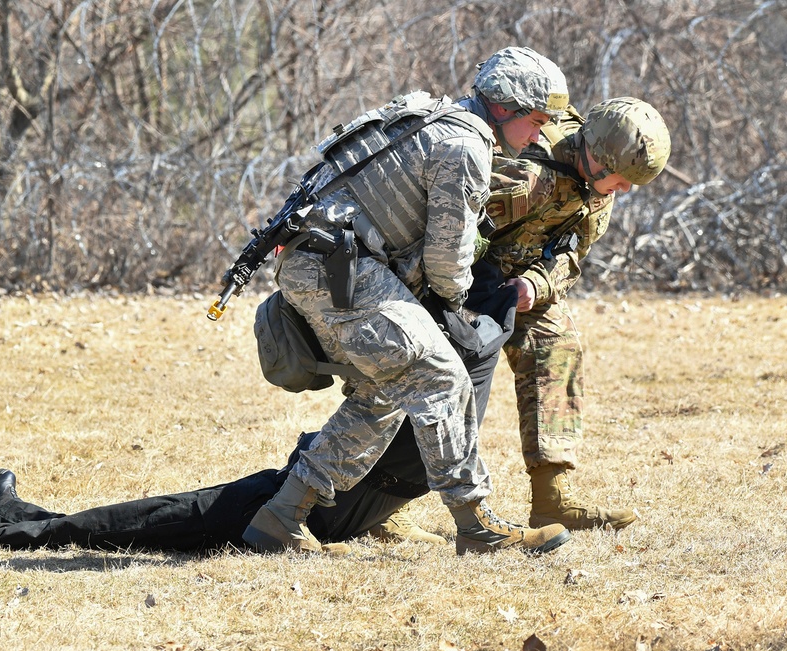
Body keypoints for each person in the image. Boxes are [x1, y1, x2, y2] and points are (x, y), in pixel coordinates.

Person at [0, 269, 534, 554]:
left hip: (305, 509)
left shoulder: (442, 372)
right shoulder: (456, 374)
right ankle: (0, 522)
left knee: (148, 523)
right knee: (148, 522)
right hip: (313, 500)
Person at [242, 46, 575, 556]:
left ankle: (281, 516)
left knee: (383, 391)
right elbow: (447, 260)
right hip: (342, 267)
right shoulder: (465, 146)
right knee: (441, 373)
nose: (538, 137)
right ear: (505, 108)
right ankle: (475, 525)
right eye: (535, 122)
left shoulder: (429, 113)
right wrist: (461, 305)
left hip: (323, 261)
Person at [481, 97, 672, 530]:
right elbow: (446, 222)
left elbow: (572, 254)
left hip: (520, 285)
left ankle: (552, 500)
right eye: (623, 181)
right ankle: (382, 503)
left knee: (556, 344)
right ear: (601, 160)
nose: (624, 192)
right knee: (434, 375)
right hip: (458, 281)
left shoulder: (598, 185)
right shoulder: (524, 162)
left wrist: (536, 285)